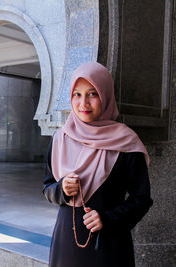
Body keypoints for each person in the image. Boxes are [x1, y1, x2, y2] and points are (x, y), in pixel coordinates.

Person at [43, 62, 153, 267]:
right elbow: (47, 188)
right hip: (66, 243)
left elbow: (142, 198)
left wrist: (109, 218)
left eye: (92, 94)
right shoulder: (60, 139)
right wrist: (62, 189)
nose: (83, 103)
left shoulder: (125, 142)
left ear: (105, 95)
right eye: (77, 94)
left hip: (109, 247)